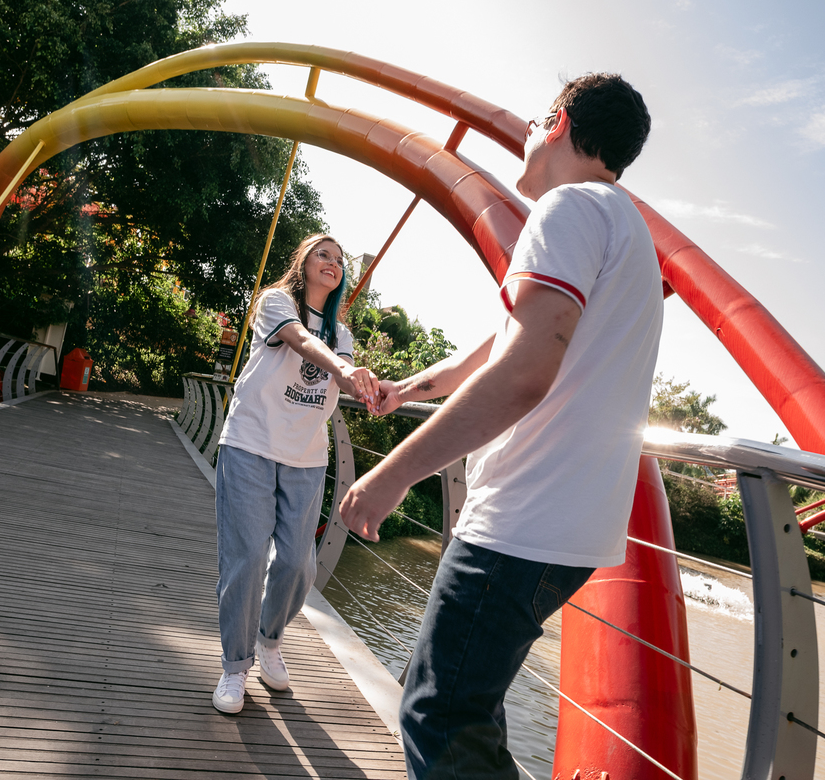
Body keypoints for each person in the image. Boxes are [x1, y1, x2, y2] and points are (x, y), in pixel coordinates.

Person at [339, 73, 661, 778]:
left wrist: (392, 475)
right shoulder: (623, 225)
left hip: (524, 518)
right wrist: (408, 389)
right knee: (468, 711)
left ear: (559, 123)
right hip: (569, 528)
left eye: (536, 122)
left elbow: (521, 373)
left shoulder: (570, 207)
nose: (525, 136)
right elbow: (499, 346)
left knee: (437, 716)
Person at [212, 233, 380, 714]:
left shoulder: (342, 335)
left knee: (298, 564)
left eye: (339, 259)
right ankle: (235, 666)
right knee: (246, 558)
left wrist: (376, 388)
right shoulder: (275, 303)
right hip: (251, 443)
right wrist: (343, 371)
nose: (332, 262)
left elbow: (348, 377)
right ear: (303, 262)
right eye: (322, 254)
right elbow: (300, 340)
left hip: (306, 457)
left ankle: (269, 639)